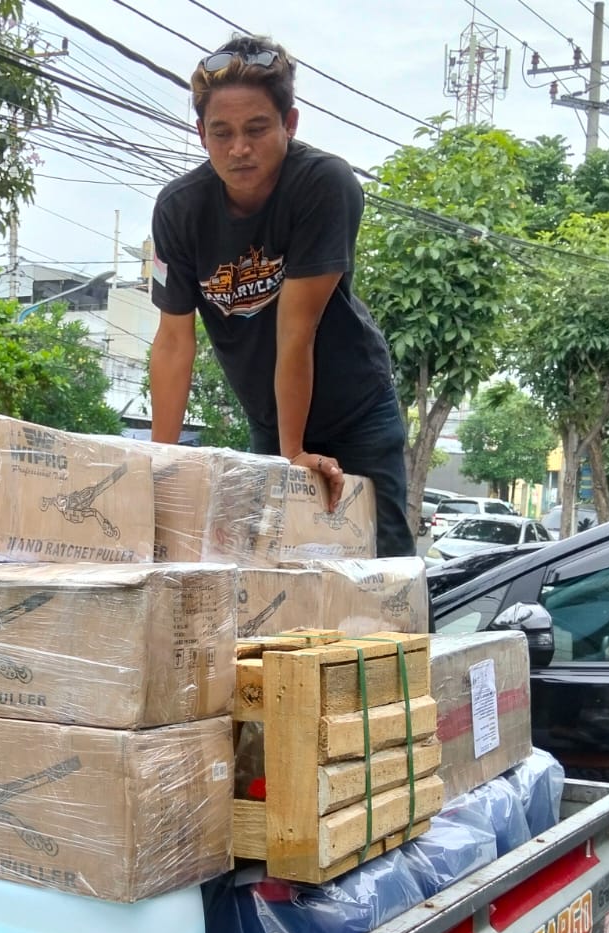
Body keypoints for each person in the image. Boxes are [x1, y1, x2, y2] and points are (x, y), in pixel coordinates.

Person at [148, 35, 414, 557]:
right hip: (271, 420)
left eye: (257, 129)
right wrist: (161, 466)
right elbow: (175, 343)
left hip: (357, 412)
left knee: (383, 575)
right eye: (221, 133)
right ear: (201, 134)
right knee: (276, 571)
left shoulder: (323, 185)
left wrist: (295, 453)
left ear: (290, 124)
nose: (238, 148)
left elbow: (296, 331)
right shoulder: (178, 210)